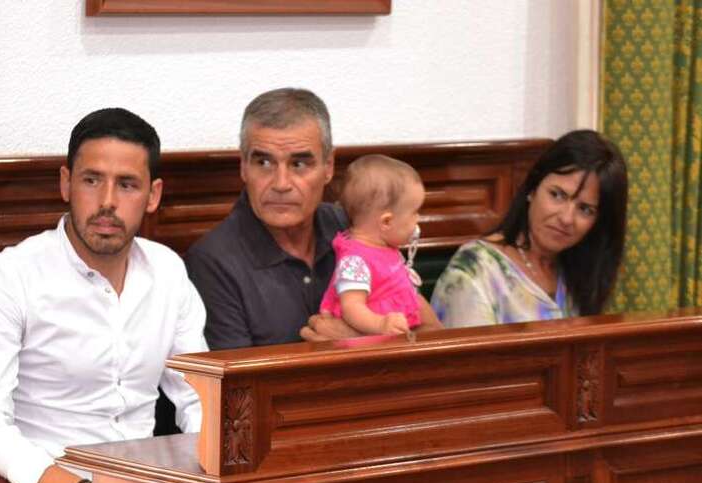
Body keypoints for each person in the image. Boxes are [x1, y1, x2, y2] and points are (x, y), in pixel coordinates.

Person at [0, 108, 208, 483]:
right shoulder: (9, 277)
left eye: (127, 184)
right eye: (92, 180)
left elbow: (199, 399)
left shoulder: (168, 272)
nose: (107, 202)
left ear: (153, 195)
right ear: (66, 183)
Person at [186, 87, 438, 349]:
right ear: (243, 167)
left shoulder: (353, 226)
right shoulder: (213, 261)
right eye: (264, 163)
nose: (281, 184)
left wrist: (358, 343)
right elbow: (237, 376)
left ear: (328, 167)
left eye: (299, 164)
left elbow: (435, 335)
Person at [431, 129, 628, 328]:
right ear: (533, 188)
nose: (567, 218)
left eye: (585, 209)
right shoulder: (476, 269)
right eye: (557, 195)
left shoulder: (577, 269)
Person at [319, 154, 427, 335]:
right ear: (386, 222)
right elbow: (351, 307)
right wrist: (380, 325)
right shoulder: (355, 261)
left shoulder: (386, 247)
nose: (418, 219)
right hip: (371, 337)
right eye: (415, 212)